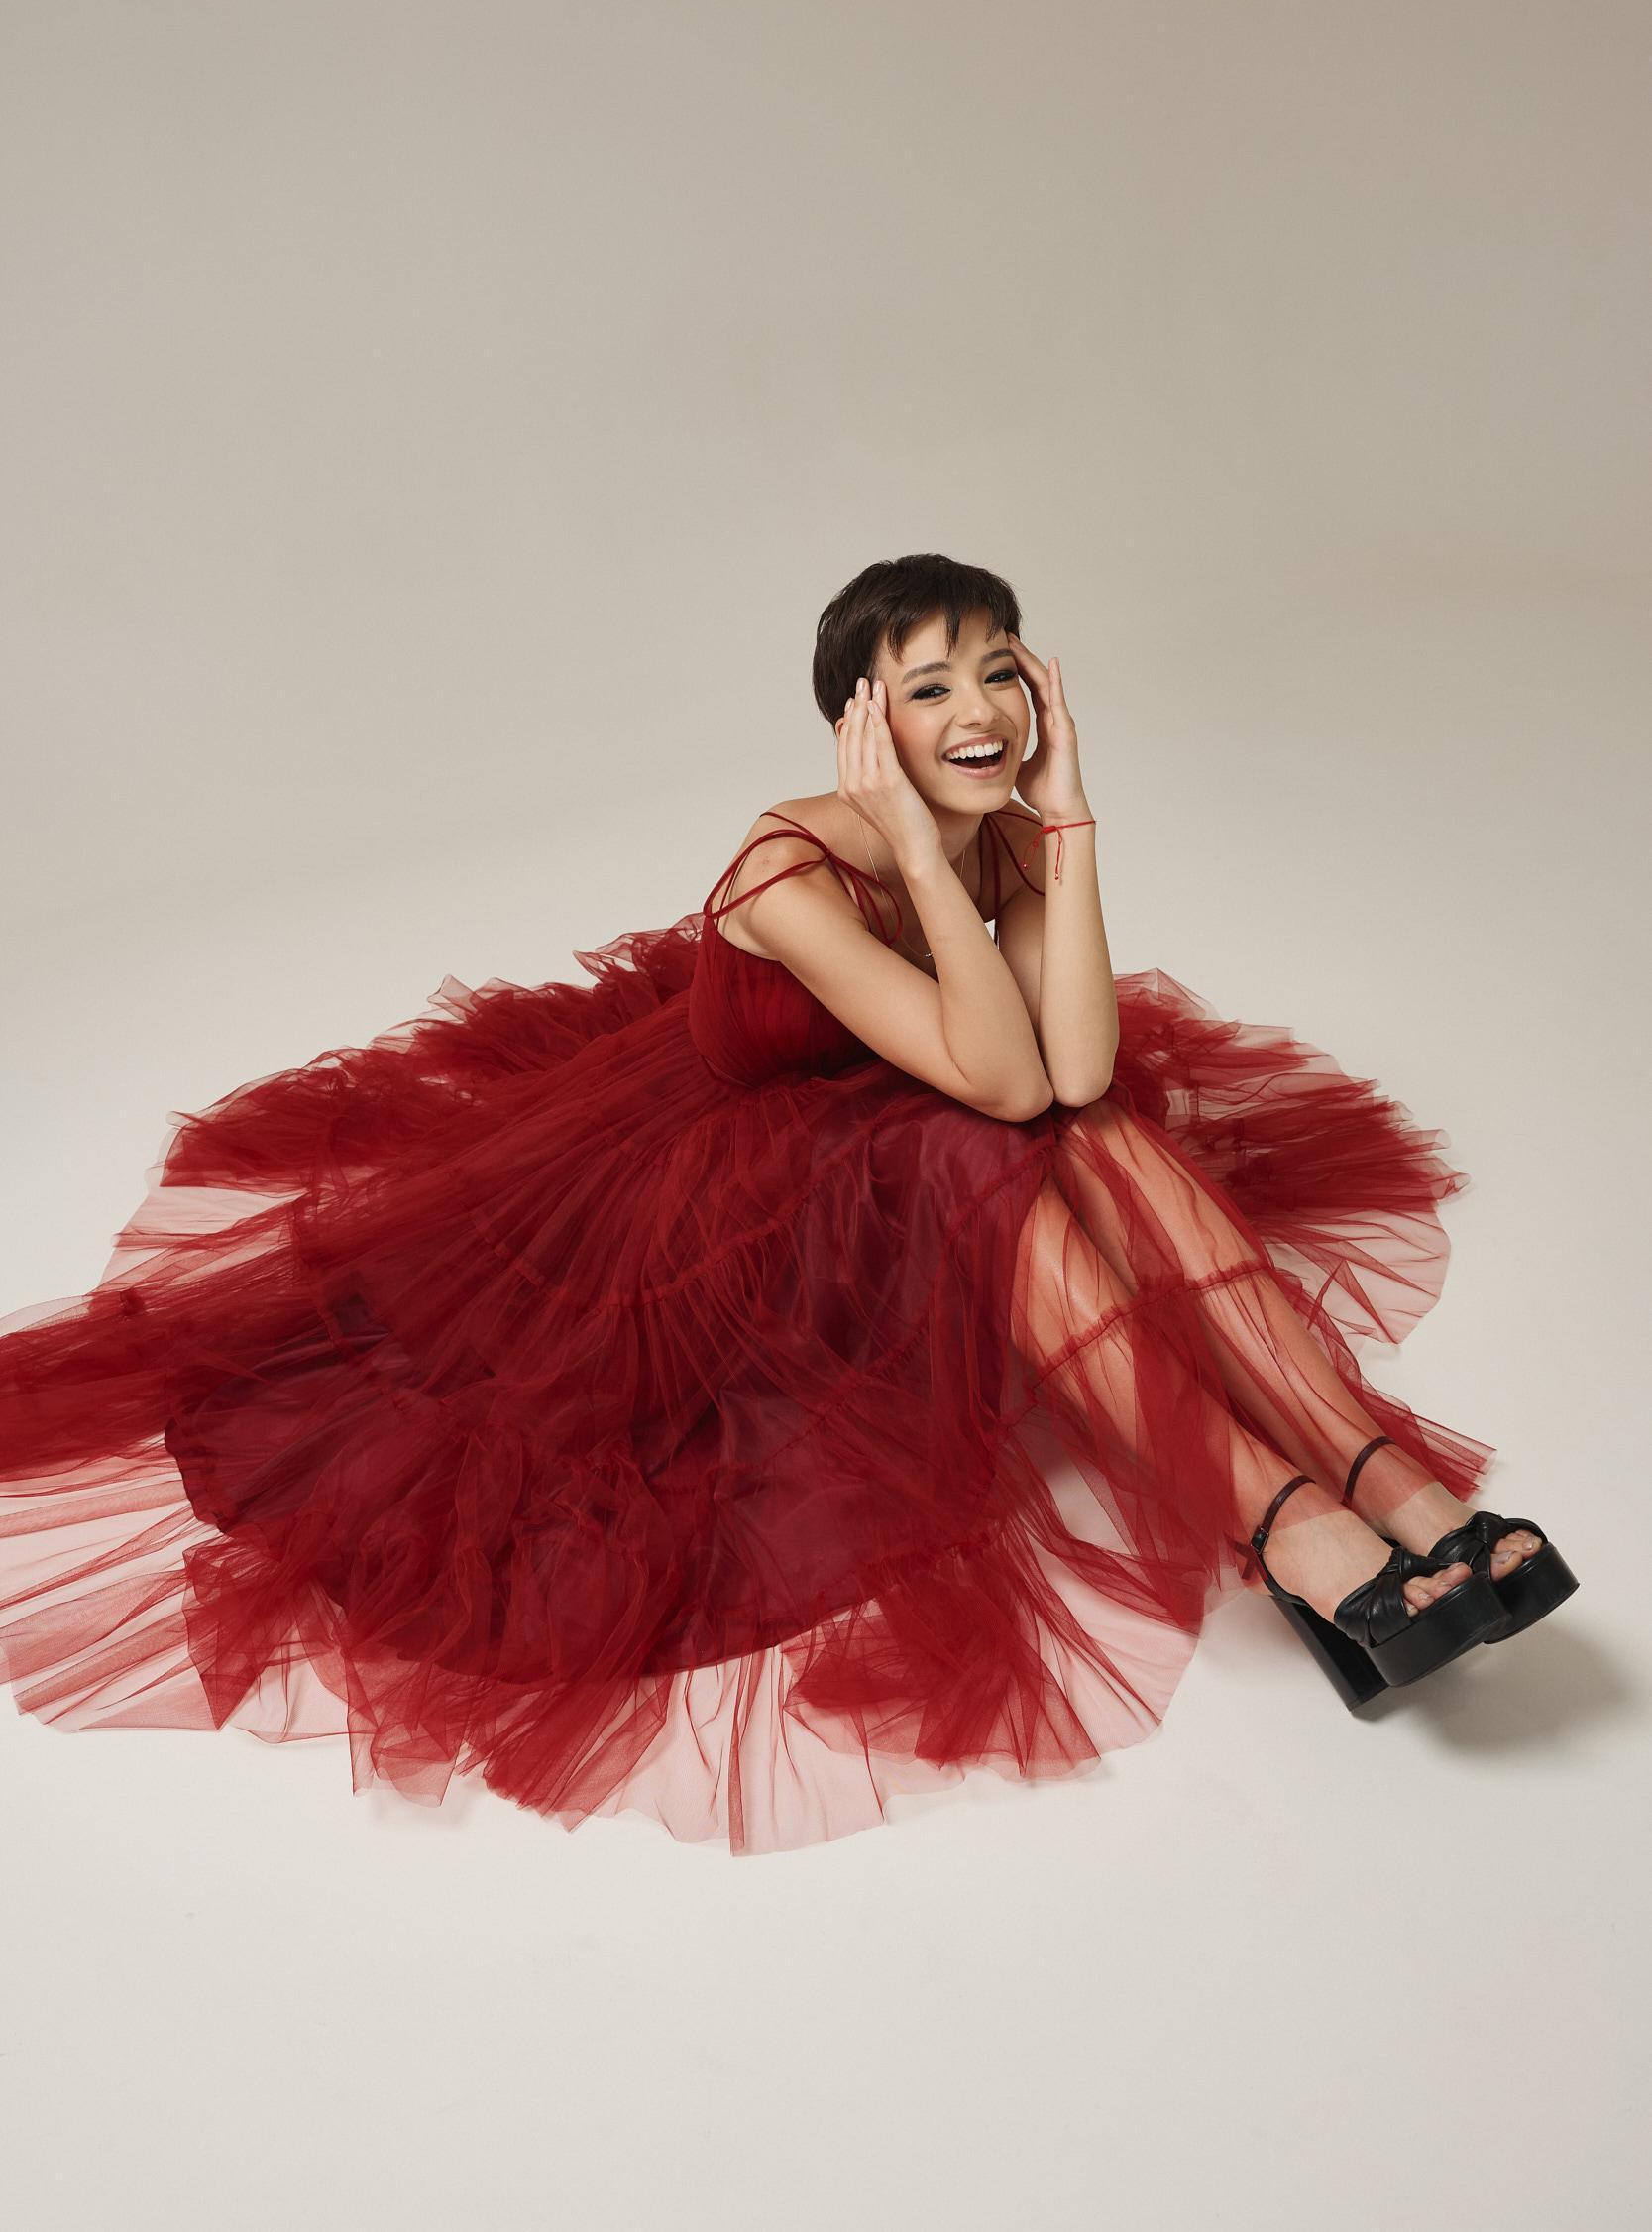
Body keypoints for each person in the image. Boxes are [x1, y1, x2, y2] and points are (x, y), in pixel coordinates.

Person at [0, 553, 1576, 1855]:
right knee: (986, 1149)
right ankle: (1289, 1528)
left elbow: (1080, 1072)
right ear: (860, 723)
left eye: (1002, 672)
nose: (981, 712)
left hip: (924, 1126)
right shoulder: (784, 871)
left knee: (1106, 1137)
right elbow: (1003, 1085)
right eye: (930, 686)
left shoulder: (1012, 835)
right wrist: (923, 861)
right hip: (718, 1200)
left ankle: (1400, 1493)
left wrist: (1073, 829)